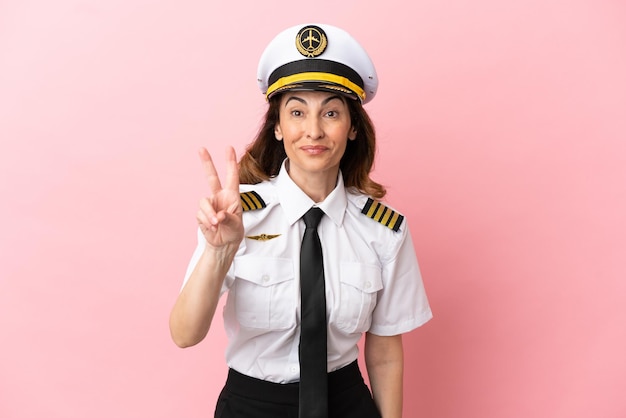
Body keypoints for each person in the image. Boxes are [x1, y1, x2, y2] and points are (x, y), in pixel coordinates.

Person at [169, 23, 432, 418]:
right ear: (277, 126)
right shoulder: (236, 216)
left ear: (353, 127)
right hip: (251, 406)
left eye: (330, 112)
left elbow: (385, 351)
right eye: (296, 111)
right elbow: (184, 334)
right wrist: (218, 251)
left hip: (347, 403)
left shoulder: (384, 229)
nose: (313, 130)